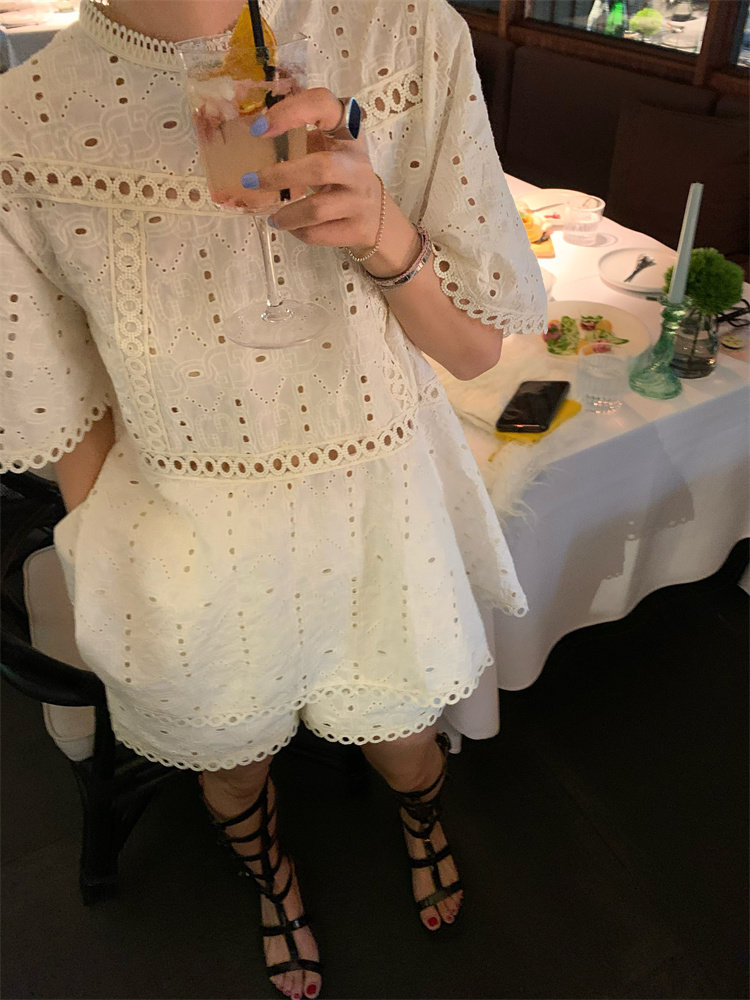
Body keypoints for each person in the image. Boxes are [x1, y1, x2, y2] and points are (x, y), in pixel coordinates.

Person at [0, 1, 545, 997]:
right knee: (232, 765)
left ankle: (424, 824)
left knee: (407, 742)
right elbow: (67, 397)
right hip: (183, 529)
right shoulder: (24, 120)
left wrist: (382, 229)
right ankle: (273, 882)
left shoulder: (406, 34)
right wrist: (108, 551)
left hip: (380, 513)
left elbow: (476, 350)